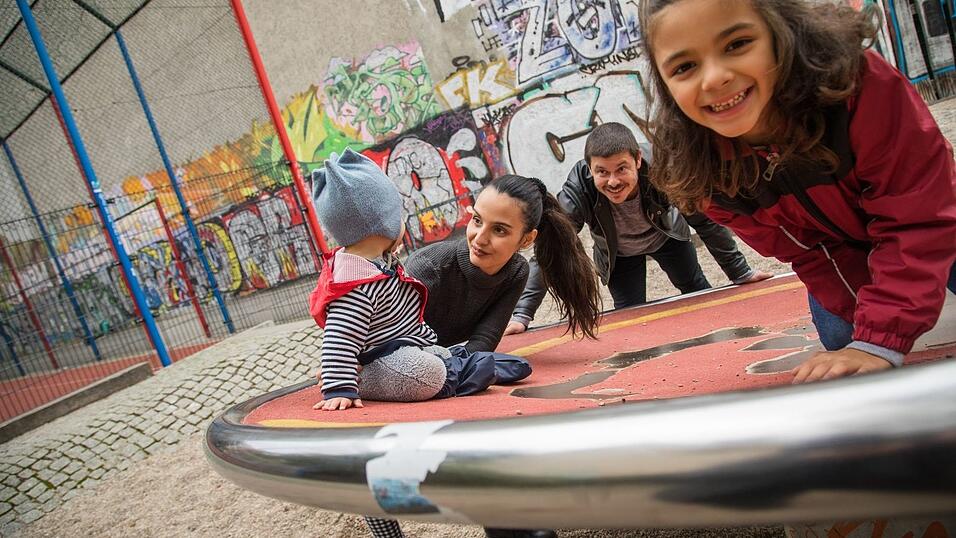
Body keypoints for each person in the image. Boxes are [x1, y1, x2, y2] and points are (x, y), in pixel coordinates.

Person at [637, 0, 956, 383]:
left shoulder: (856, 84)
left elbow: (919, 218)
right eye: (685, 67)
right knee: (845, 345)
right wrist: (870, 338)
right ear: (665, 84)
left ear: (780, 32)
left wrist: (880, 340)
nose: (714, 78)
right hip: (845, 246)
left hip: (940, 218)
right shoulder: (699, 166)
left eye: (737, 44)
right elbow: (809, 253)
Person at [308, 148, 532, 412]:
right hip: (381, 361)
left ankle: (457, 363)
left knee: (434, 357)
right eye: (398, 216)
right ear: (384, 225)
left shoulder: (379, 265)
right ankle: (452, 373)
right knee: (425, 374)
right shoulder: (355, 285)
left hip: (404, 348)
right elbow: (339, 338)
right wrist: (339, 385)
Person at [506, 122, 771, 334]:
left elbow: (704, 220)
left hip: (667, 237)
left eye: (622, 169)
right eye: (602, 172)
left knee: (696, 290)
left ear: (638, 160)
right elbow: (551, 247)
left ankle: (719, 337)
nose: (612, 181)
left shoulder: (664, 169)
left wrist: (740, 271)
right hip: (618, 254)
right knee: (631, 319)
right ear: (590, 169)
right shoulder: (579, 188)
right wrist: (522, 313)